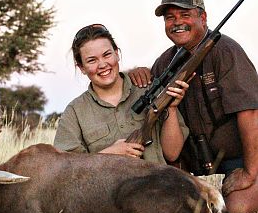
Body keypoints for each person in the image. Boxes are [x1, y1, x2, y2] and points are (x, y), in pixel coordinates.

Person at [129, 0, 258, 213]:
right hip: (194, 161)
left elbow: (250, 113)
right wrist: (134, 73)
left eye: (185, 15)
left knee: (236, 210)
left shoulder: (226, 51)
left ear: (203, 17)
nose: (177, 22)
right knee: (173, 209)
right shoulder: (164, 63)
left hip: (238, 158)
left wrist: (249, 172)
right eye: (170, 18)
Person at [54, 24, 189, 164]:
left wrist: (171, 109)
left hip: (158, 184)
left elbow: (172, 154)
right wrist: (108, 154)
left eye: (107, 55)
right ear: (81, 67)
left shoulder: (149, 88)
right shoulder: (74, 112)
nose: (102, 65)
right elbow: (64, 167)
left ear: (116, 53)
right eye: (92, 60)